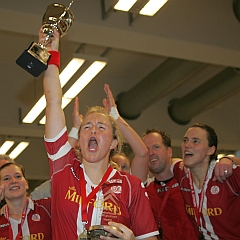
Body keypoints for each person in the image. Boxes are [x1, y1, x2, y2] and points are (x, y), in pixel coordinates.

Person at [40, 28, 158, 240]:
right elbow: (53, 102)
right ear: (80, 140)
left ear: (113, 143)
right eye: (87, 126)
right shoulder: (62, 169)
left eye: (101, 127)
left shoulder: (131, 186)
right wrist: (52, 53)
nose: (93, 129)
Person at [171, 122, 240, 239]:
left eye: (195, 141)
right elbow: (162, 161)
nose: (187, 145)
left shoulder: (227, 173)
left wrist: (230, 159)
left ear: (211, 150)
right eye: (185, 140)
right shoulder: (182, 173)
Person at [143, 129, 197, 240]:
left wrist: (227, 160)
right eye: (146, 149)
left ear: (169, 152)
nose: (151, 153)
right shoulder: (146, 190)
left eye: (156, 147)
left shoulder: (189, 180)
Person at [0, 162, 51, 239]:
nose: (13, 181)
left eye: (18, 176)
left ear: (26, 184)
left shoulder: (47, 207)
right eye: (6, 178)